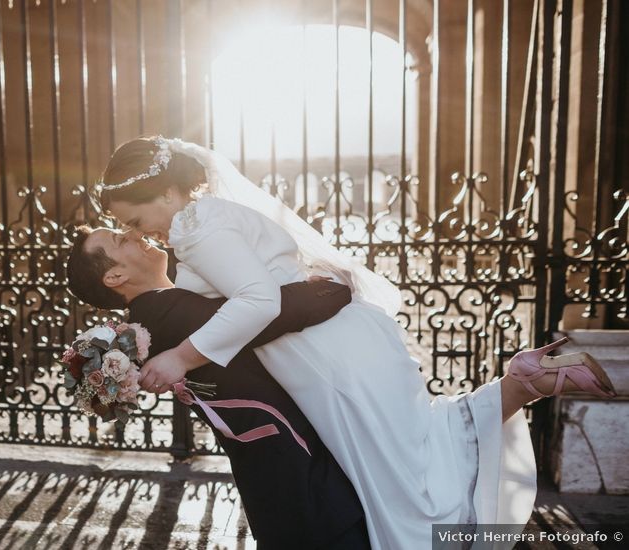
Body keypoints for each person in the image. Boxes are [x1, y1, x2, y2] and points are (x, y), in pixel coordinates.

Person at [93, 135, 618, 550]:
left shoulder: (194, 227)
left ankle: (519, 393)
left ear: (165, 192)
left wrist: (180, 358)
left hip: (319, 354)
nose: (144, 233)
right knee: (409, 449)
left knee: (398, 480)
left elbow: (257, 302)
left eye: (135, 220)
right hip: (337, 341)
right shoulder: (203, 220)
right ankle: (525, 380)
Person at [66, 225, 370, 548]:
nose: (134, 234)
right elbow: (268, 313)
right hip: (303, 485)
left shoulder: (153, 318)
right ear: (114, 277)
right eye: (119, 240)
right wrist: (335, 287)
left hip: (281, 486)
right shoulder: (167, 315)